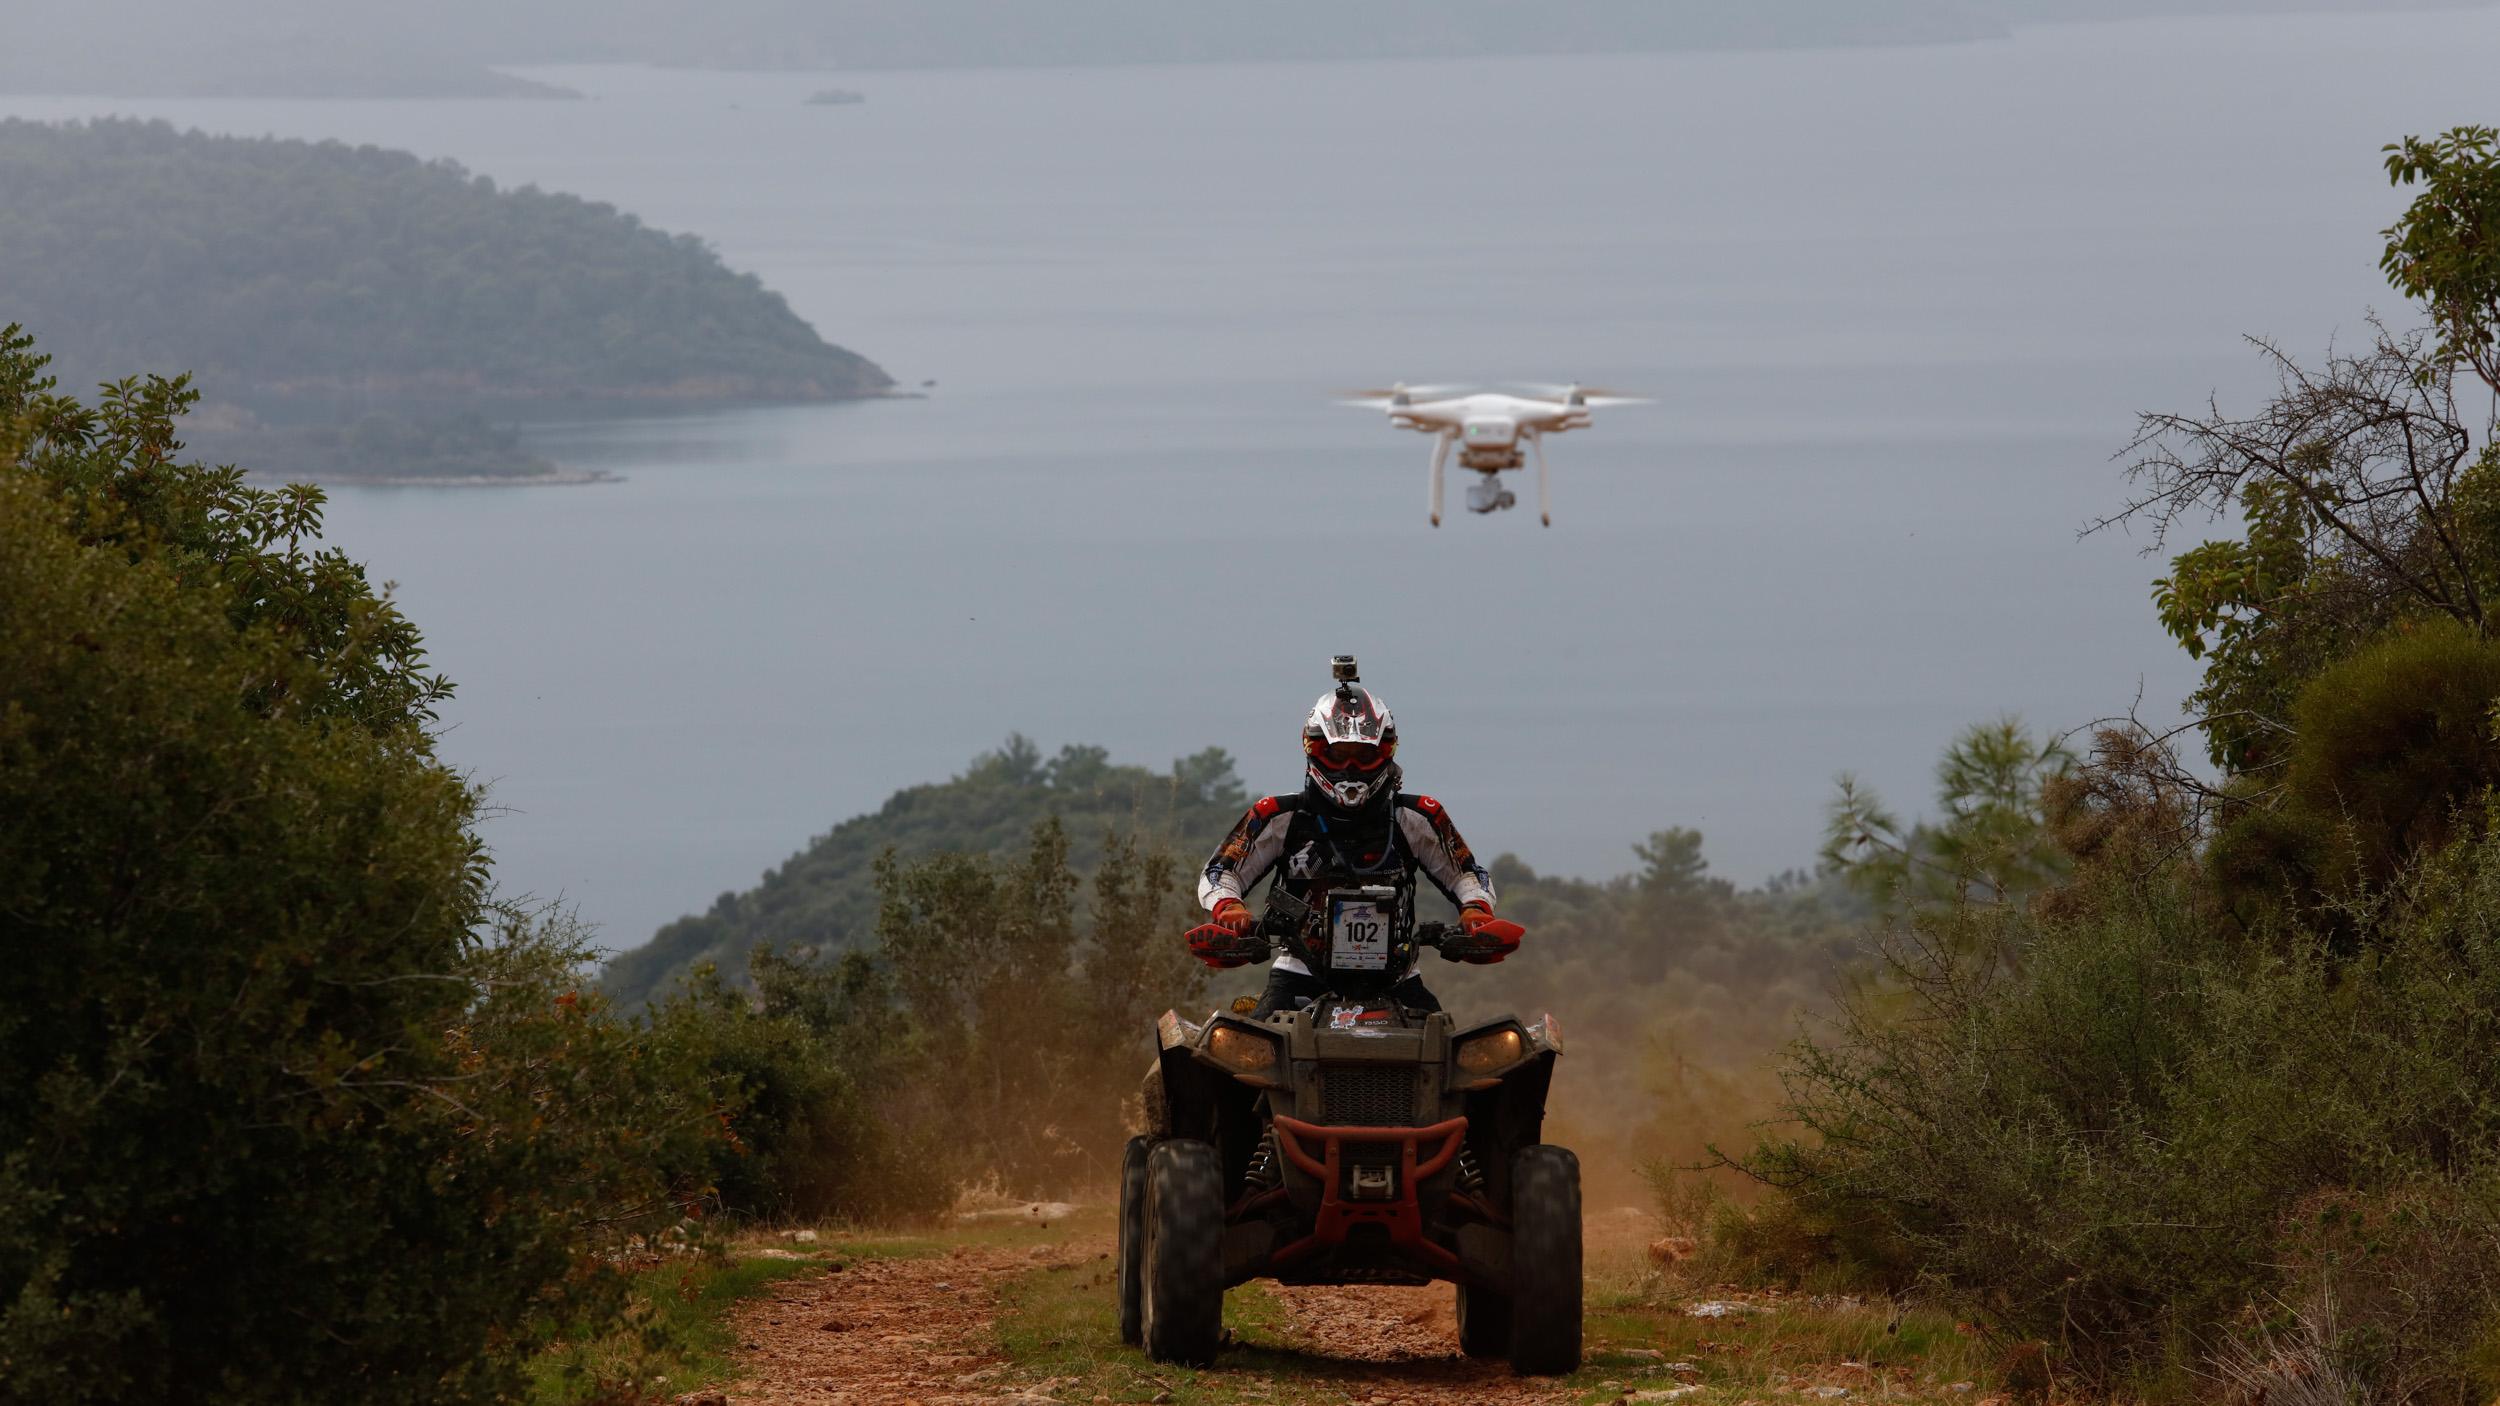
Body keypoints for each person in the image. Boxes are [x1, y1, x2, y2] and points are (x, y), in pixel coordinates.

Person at [1188, 658, 1523, 1016]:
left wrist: (1475, 911)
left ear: (1386, 751)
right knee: (1242, 1045)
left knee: (1459, 1048)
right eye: (1339, 754)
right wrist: (1229, 908)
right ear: (1315, 748)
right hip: (1299, 973)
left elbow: (1468, 875)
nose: (1351, 767)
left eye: (1363, 755)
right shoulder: (1277, 815)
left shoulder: (1419, 816)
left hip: (1398, 978)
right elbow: (1220, 873)